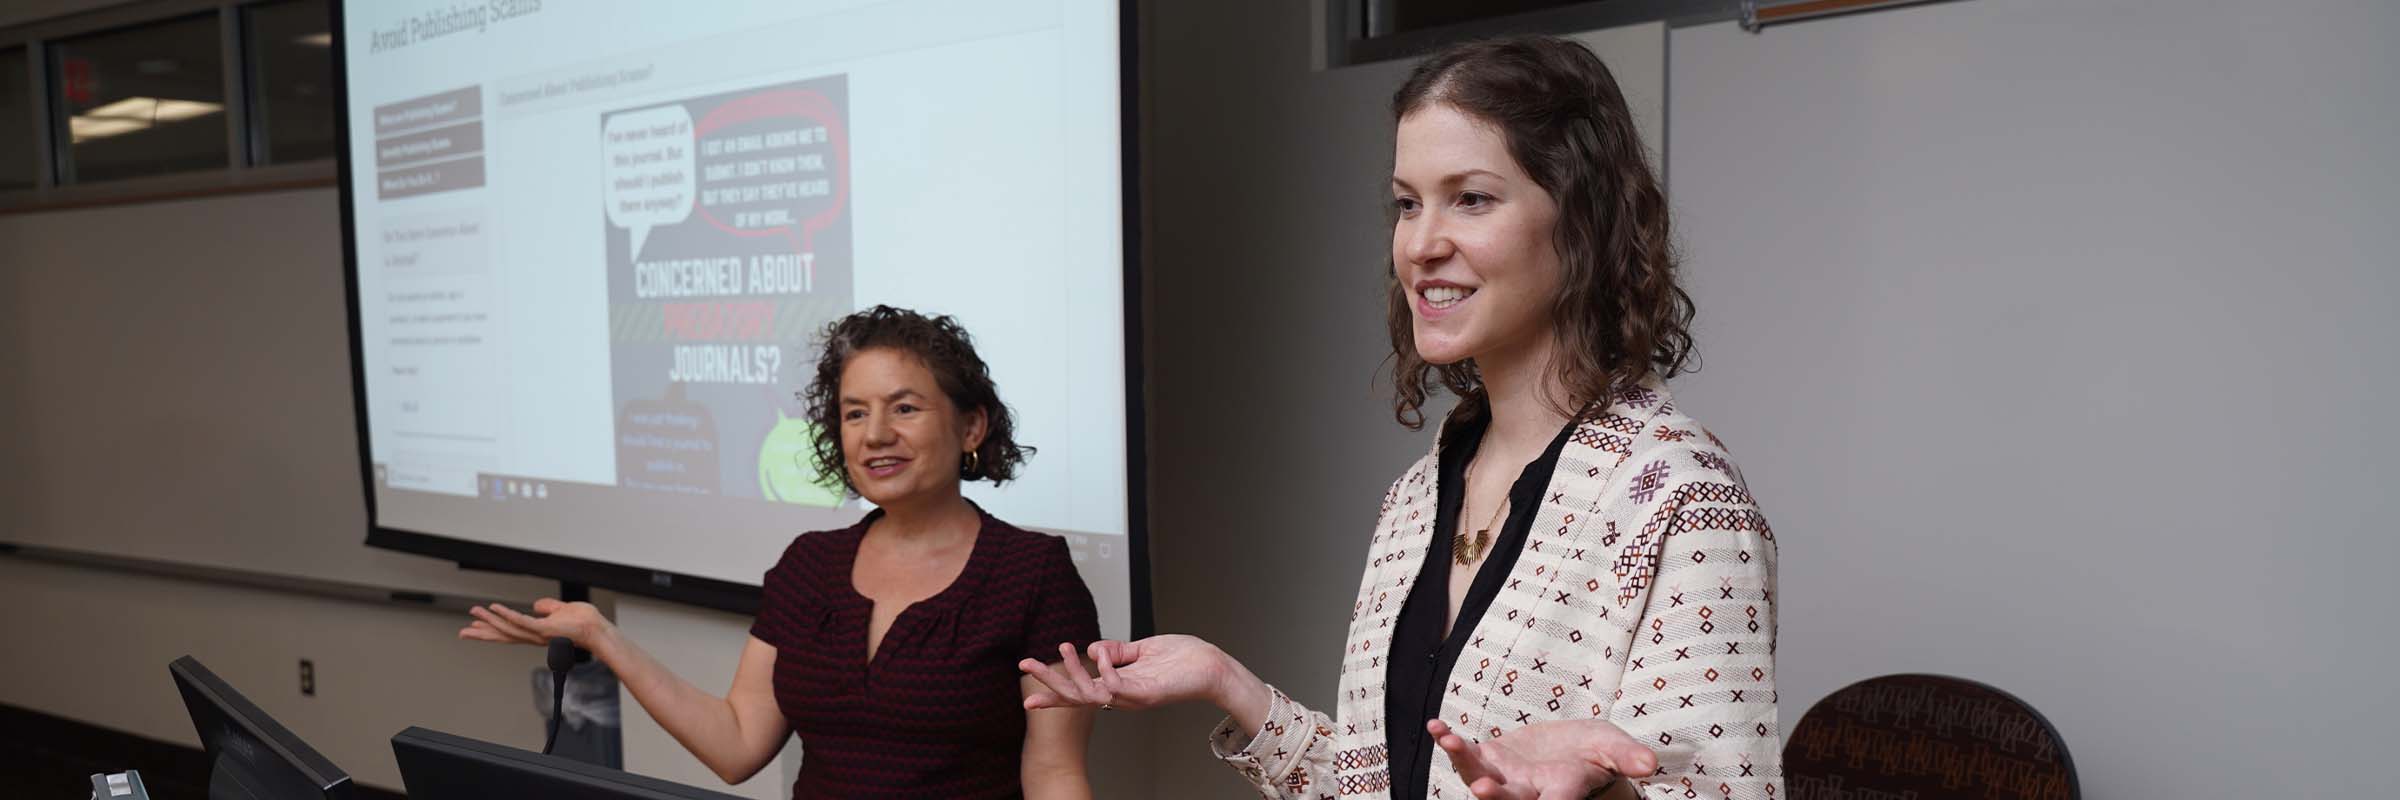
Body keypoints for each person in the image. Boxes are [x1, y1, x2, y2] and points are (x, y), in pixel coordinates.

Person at [1022, 35, 1780, 800]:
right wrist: (1227, 682)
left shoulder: (1683, 500)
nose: (1420, 244)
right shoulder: (1420, 495)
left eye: (1472, 199)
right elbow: (1378, 785)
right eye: (1408, 204)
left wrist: (1602, 795)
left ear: (1583, 218)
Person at [463, 305, 1102, 799]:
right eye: (854, 414)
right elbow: (738, 742)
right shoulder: (809, 566)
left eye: (904, 408)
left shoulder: (1033, 573)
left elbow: (1053, 774)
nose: (876, 434)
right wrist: (602, 638)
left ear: (971, 426)